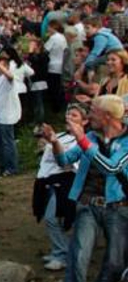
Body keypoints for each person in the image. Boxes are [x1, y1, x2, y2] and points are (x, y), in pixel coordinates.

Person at [44, 95, 128, 282]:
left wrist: (83, 140)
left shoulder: (126, 141)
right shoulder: (91, 135)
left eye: (94, 111)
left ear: (107, 116)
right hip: (87, 204)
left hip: (117, 207)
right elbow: (64, 160)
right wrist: (54, 142)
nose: (89, 115)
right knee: (78, 257)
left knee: (115, 263)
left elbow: (111, 168)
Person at [34, 103, 84, 271]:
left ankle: (62, 253)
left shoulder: (83, 138)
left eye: (74, 116)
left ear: (84, 121)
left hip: (65, 181)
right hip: (46, 180)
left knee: (53, 218)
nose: (69, 118)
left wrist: (53, 142)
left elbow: (66, 160)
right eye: (68, 115)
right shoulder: (62, 134)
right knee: (53, 217)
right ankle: (60, 250)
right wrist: (44, 143)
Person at [0, 48, 22, 176]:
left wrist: (0, 66)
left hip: (6, 116)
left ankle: (12, 167)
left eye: (1, 65)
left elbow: (10, 76)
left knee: (7, 143)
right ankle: (2, 166)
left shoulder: (9, 79)